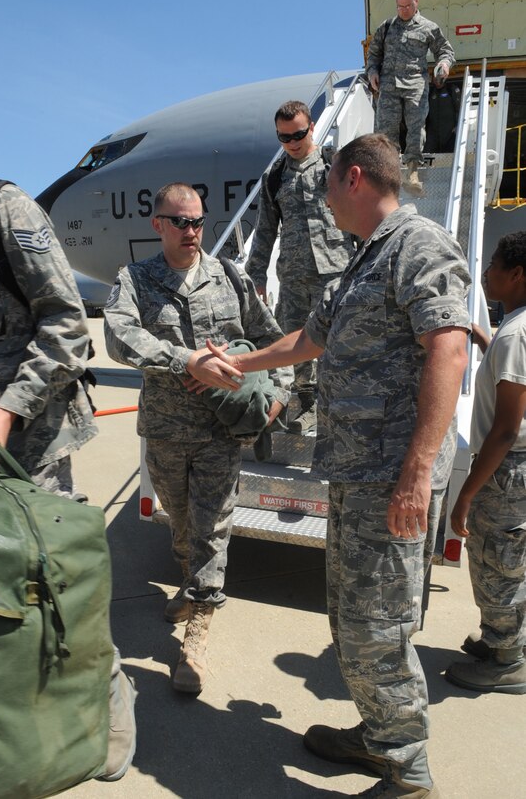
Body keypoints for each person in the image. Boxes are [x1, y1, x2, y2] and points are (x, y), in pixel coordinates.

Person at [190, 134, 471, 797]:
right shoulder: (360, 265)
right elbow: (307, 340)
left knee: (380, 623)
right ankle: (379, 735)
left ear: (351, 177)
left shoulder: (417, 244)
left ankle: (407, 768)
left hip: (391, 477)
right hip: (354, 471)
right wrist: (236, 365)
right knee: (351, 616)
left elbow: (450, 353)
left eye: (325, 188)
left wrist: (416, 473)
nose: (321, 203)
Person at [0, 99, 135, 782]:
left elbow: (67, 327)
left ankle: (106, 703)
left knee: (53, 583)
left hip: (25, 448)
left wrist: (8, 410)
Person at [104, 182, 292, 694]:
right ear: (157, 224)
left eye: (198, 222)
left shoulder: (230, 276)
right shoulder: (136, 280)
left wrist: (278, 398)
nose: (191, 231)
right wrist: (185, 359)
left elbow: (276, 342)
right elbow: (120, 336)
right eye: (179, 221)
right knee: (182, 526)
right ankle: (191, 587)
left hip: (219, 435)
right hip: (165, 433)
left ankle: (197, 634)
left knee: (212, 531)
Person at [445, 233, 526, 695]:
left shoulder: (515, 335)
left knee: (498, 563)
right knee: (509, 561)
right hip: (514, 467)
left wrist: (468, 495)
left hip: (508, 470)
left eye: (496, 264)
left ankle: (508, 659)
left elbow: (505, 430)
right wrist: (485, 341)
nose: (488, 271)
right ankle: (503, 640)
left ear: (516, 274)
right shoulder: (513, 330)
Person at [245, 100, 351, 434]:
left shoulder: (336, 165)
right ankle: (304, 407)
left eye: (299, 134)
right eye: (284, 137)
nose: (292, 143)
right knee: (295, 342)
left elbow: (362, 213)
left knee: (336, 341)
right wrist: (256, 275)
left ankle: (335, 408)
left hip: (335, 270)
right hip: (292, 275)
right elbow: (264, 230)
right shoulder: (274, 177)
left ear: (312, 128)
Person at [366, 0, 455, 195]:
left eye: (407, 5)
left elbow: (445, 51)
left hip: (416, 83)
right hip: (389, 85)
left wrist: (444, 65)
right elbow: (374, 54)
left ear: (416, 1)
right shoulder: (386, 27)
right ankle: (389, 174)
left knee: (416, 128)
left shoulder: (428, 27)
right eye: (399, 6)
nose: (403, 10)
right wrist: (372, 72)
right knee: (386, 130)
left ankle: (413, 173)